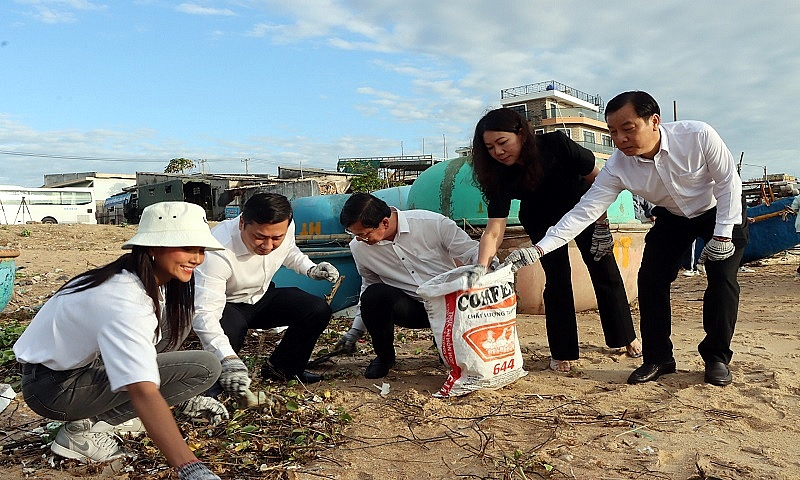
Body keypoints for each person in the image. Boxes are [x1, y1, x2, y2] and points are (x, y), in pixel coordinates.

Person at [496, 91, 749, 387]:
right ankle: (658, 358)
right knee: (651, 279)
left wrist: (722, 235)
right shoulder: (618, 166)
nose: (620, 139)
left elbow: (728, 182)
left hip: (719, 209)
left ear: (654, 121)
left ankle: (716, 358)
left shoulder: (697, 135)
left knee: (722, 278)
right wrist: (538, 249)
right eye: (613, 132)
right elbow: (584, 212)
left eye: (628, 129)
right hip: (672, 216)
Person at [14, 202, 228, 479]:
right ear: (153, 247)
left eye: (201, 250)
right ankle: (83, 429)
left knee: (178, 322)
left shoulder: (136, 280)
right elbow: (142, 390)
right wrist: (191, 468)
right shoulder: (123, 297)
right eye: (188, 248)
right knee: (205, 367)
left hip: (74, 370)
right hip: (53, 389)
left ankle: (147, 407)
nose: (197, 259)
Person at [468, 107, 642, 373]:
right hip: (540, 217)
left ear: (521, 135)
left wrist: (602, 224)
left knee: (603, 267)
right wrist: (481, 268)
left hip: (582, 208)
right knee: (557, 278)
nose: (498, 152)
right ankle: (562, 351)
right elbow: (494, 230)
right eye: (490, 148)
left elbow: (597, 180)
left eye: (502, 143)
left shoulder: (557, 144)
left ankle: (625, 337)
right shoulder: (498, 174)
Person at [192, 192, 339, 391]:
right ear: (242, 222)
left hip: (261, 296)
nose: (268, 246)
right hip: (227, 303)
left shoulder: (284, 227)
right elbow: (205, 314)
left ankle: (283, 369)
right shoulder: (216, 250)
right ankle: (214, 387)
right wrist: (228, 358)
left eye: (276, 238)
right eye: (259, 237)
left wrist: (310, 269)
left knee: (316, 309)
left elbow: (289, 251)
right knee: (227, 332)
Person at [335, 192, 483, 378]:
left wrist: (492, 274)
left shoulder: (432, 223)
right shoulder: (359, 248)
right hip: (412, 309)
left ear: (385, 223)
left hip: (453, 308)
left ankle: (445, 345)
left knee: (456, 360)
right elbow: (369, 285)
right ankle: (385, 358)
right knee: (374, 295)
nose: (359, 240)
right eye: (355, 235)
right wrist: (355, 331)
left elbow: (471, 252)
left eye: (364, 235)